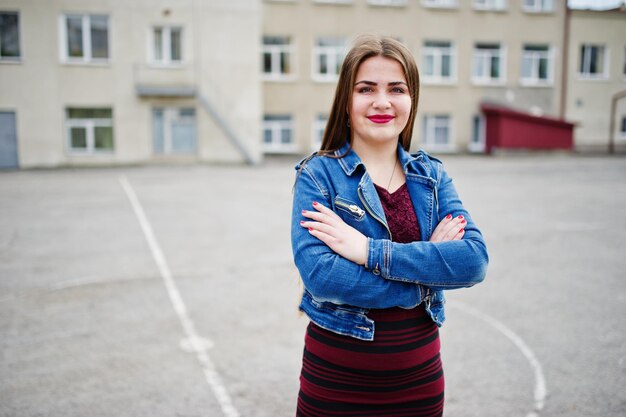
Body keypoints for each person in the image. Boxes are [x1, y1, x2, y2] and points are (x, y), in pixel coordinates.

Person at [290, 34, 488, 416]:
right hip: (335, 380)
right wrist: (425, 278)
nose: (382, 101)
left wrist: (366, 251)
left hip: (419, 380)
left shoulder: (432, 176)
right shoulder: (318, 175)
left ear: (411, 101)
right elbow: (323, 276)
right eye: (366, 89)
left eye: (396, 89)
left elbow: (473, 261)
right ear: (347, 102)